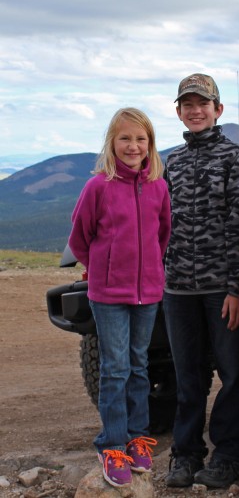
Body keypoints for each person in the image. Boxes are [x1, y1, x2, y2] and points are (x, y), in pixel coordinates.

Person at [163, 73, 239, 489]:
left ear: (218, 109)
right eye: (188, 104)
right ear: (179, 112)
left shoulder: (234, 158)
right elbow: (162, 224)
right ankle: (185, 455)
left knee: (234, 374)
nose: (195, 110)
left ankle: (229, 454)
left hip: (223, 289)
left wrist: (237, 288)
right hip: (178, 288)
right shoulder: (172, 161)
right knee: (189, 377)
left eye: (203, 103)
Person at [68, 107, 171, 488]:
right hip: (109, 293)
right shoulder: (98, 186)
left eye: (140, 139)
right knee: (115, 369)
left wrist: (150, 273)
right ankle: (111, 443)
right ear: (112, 142)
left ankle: (137, 436)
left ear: (150, 145)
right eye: (125, 138)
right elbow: (80, 238)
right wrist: (103, 269)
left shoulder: (158, 186)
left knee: (139, 365)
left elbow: (163, 234)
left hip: (147, 292)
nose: (133, 146)